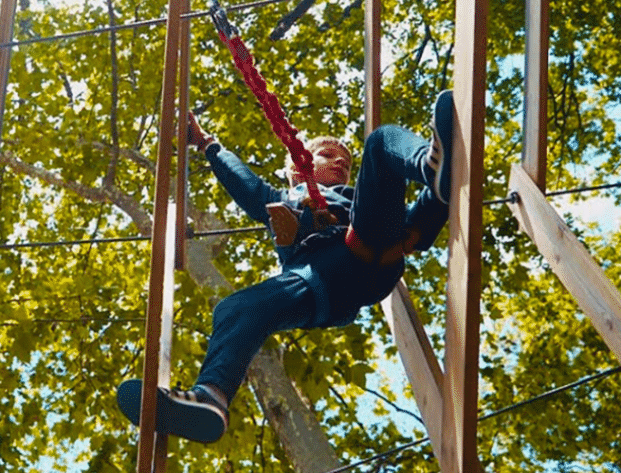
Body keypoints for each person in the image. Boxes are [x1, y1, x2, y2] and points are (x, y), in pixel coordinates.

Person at [117, 90, 454, 444]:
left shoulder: (357, 197)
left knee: (381, 142)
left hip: (370, 242)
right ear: (296, 170)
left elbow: (400, 214)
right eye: (327, 155)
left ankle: (432, 168)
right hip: (319, 283)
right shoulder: (285, 200)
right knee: (235, 308)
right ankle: (211, 397)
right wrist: (205, 143)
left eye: (345, 162)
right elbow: (247, 187)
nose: (339, 163)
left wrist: (425, 212)